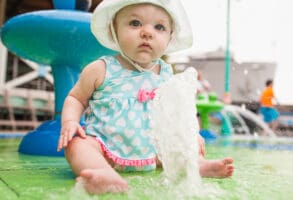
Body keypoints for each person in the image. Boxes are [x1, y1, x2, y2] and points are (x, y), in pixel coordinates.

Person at [57, 0, 234, 194]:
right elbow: (76, 98)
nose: (147, 32)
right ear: (114, 30)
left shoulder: (166, 74)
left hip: (153, 152)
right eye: (135, 23)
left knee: (188, 142)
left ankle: (196, 165)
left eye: (159, 27)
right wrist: (70, 121)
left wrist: (190, 134)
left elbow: (177, 113)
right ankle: (102, 172)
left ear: (169, 37)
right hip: (106, 148)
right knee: (76, 146)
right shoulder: (101, 69)